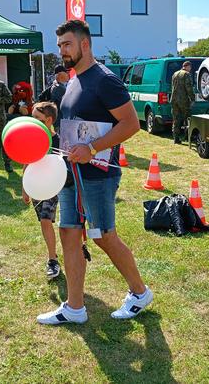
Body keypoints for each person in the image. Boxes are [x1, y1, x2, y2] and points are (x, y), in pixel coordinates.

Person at [36, 20, 153, 325]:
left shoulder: (105, 80)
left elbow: (130, 124)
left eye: (67, 45)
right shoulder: (73, 80)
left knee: (103, 236)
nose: (62, 51)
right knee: (68, 232)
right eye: (60, 45)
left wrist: (92, 147)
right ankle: (75, 308)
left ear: (85, 44)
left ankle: (140, 293)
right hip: (71, 171)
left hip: (98, 174)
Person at [22, 101, 62, 279]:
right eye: (32, 118)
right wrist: (25, 187)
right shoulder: (32, 137)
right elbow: (26, 162)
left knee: (46, 219)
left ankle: (52, 260)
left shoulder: (59, 140)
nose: (34, 121)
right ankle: (53, 256)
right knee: (43, 222)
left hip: (53, 186)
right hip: (36, 185)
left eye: (37, 118)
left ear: (49, 120)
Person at [170, 60, 195, 144]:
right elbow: (189, 87)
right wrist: (192, 98)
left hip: (174, 99)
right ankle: (187, 137)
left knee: (176, 119)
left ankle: (176, 138)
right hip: (183, 99)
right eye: (190, 67)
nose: (190, 69)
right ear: (188, 66)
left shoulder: (175, 74)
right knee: (187, 118)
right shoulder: (186, 74)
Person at [39, 65, 69, 130]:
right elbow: (69, 105)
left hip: (57, 123)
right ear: (60, 74)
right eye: (66, 72)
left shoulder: (56, 86)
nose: (68, 74)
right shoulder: (59, 88)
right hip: (59, 124)